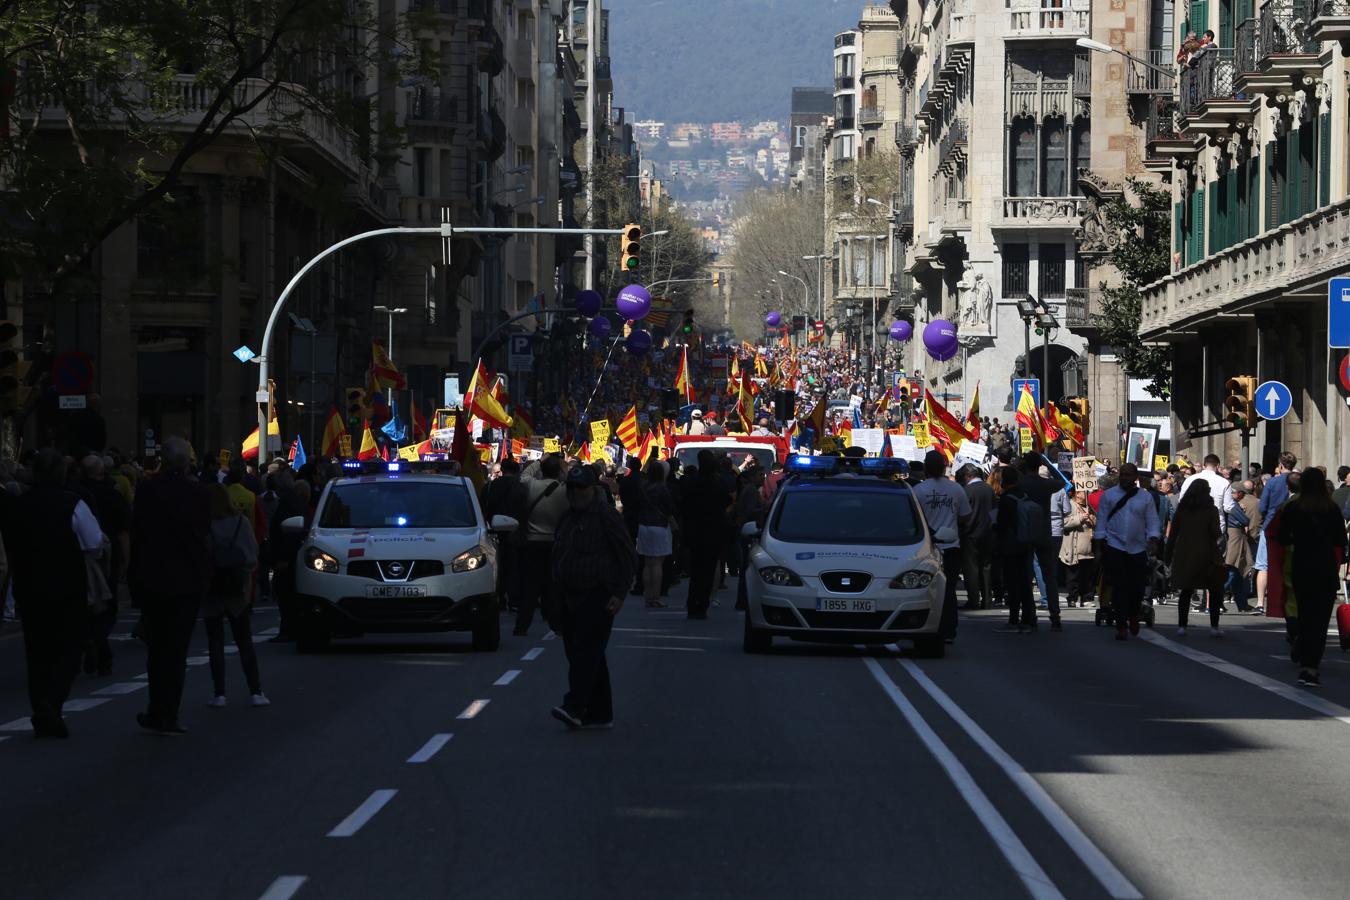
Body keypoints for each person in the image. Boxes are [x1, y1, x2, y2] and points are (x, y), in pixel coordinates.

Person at [0, 449, 104, 738]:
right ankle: (52, 703)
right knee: (70, 647)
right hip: (66, 586)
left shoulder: (19, 505)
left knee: (37, 652)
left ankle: (41, 708)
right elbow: (94, 543)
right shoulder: (72, 503)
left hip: (29, 586)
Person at [129, 437, 212, 735]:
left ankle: (157, 708)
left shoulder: (148, 490)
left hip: (154, 580)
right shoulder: (200, 494)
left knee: (157, 650)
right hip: (187, 582)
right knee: (176, 652)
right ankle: (170, 713)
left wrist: (134, 578)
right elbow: (203, 534)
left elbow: (138, 535)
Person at [549, 465, 637, 730]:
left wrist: (619, 593)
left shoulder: (605, 516)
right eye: (572, 488)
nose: (576, 493)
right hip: (568, 595)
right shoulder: (567, 518)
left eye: (582, 488)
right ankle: (600, 712)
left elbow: (627, 555)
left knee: (586, 653)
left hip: (598, 594)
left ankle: (574, 705)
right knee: (582, 654)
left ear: (593, 489)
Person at [1276, 468, 1349, 687]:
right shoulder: (1331, 508)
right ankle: (1312, 667)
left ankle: (1302, 652)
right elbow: (1340, 540)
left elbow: (1282, 537)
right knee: (1321, 621)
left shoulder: (1295, 507)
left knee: (1306, 613)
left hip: (1302, 564)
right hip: (1325, 567)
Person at [203, 484, 267, 707]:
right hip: (236, 588)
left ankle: (219, 693)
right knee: (244, 640)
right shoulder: (241, 522)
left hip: (211, 589)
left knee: (215, 642)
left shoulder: (205, 525)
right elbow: (251, 555)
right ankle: (255, 691)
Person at [1094, 463, 1162, 641]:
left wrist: (1154, 539)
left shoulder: (1145, 498)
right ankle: (1121, 625)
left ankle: (1133, 614)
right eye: (1122, 474)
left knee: (1137, 588)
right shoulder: (1109, 496)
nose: (1124, 477)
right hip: (1115, 546)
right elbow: (1101, 522)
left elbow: (1152, 521)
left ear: (1135, 477)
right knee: (1119, 587)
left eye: (1128, 475)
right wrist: (1099, 547)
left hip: (1138, 548)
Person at [79, 454, 131, 677]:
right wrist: (125, 561)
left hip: (81, 558)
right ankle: (99, 645)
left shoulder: (75, 494)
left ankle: (90, 640)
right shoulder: (113, 495)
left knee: (86, 603)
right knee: (106, 605)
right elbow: (123, 532)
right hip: (104, 557)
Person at [912, 451, 972, 640]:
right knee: (949, 590)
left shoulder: (919, 490)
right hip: (950, 547)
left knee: (924, 589)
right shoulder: (956, 489)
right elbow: (965, 516)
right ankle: (948, 628)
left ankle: (924, 625)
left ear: (925, 468)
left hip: (926, 549)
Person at [512, 455, 569, 636]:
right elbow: (570, 480)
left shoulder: (531, 486)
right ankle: (557, 624)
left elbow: (523, 475)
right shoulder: (564, 491)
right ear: (559, 472)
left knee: (530, 587)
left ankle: (522, 625)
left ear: (541, 471)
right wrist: (564, 469)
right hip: (554, 543)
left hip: (532, 542)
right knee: (553, 586)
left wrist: (539, 460)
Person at [1166, 480, 1225, 637]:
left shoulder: (1182, 509)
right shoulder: (1211, 510)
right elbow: (1216, 532)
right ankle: (1214, 626)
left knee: (1186, 590)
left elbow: (1173, 535)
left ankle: (1182, 626)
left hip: (1185, 552)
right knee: (1214, 589)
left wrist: (1167, 555)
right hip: (1207, 553)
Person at [681, 450, 733, 619]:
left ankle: (693, 605)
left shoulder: (692, 482)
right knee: (708, 571)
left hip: (696, 531)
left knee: (696, 571)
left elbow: (684, 504)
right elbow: (727, 501)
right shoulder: (718, 484)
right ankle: (701, 605)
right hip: (713, 532)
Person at [1017, 453, 1064, 630]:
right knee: (1049, 576)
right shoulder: (1046, 484)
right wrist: (1049, 464)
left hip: (1024, 533)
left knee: (1026, 576)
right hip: (1044, 532)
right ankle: (1055, 615)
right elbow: (1064, 482)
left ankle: (1030, 614)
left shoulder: (1021, 484)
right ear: (1039, 466)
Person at [992, 466, 1036, 633]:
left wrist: (995, 527)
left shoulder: (1006, 499)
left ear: (1004, 480)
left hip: (1010, 545)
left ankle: (1013, 619)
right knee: (1024, 583)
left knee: (1012, 583)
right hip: (1025, 543)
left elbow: (1002, 524)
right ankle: (1028, 618)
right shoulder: (1024, 495)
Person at [1256, 451, 1298, 612]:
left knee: (1263, 565)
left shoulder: (1273, 482)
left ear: (1280, 465)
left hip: (1271, 526)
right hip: (1293, 528)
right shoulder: (1298, 481)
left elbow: (1262, 507)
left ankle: (1260, 603)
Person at [636, 461, 676, 609]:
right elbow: (670, 507)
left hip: (643, 524)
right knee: (657, 563)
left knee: (647, 563)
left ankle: (648, 596)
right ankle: (655, 596)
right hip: (659, 525)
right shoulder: (662, 488)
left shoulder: (643, 487)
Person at [959, 464, 995, 611]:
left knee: (971, 568)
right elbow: (995, 511)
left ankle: (973, 600)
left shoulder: (967, 491)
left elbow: (962, 513)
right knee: (986, 567)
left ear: (968, 475)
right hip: (988, 533)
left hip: (970, 534)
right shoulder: (989, 489)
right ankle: (987, 600)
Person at [1225, 480, 1261, 614]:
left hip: (1235, 538)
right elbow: (1245, 520)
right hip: (1235, 538)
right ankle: (1215, 599)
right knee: (1233, 570)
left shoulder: (1231, 504)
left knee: (1238, 572)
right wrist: (1241, 511)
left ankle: (1242, 603)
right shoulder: (1232, 505)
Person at [1059, 487, 1096, 609]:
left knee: (1087, 577)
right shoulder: (1069, 505)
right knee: (1073, 576)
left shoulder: (1090, 506)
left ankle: (1086, 598)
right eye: (1083, 492)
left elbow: (1097, 522)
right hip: (1073, 549)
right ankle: (1072, 598)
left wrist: (1092, 519)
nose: (1086, 494)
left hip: (1088, 549)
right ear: (1076, 494)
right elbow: (1063, 523)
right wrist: (1079, 519)